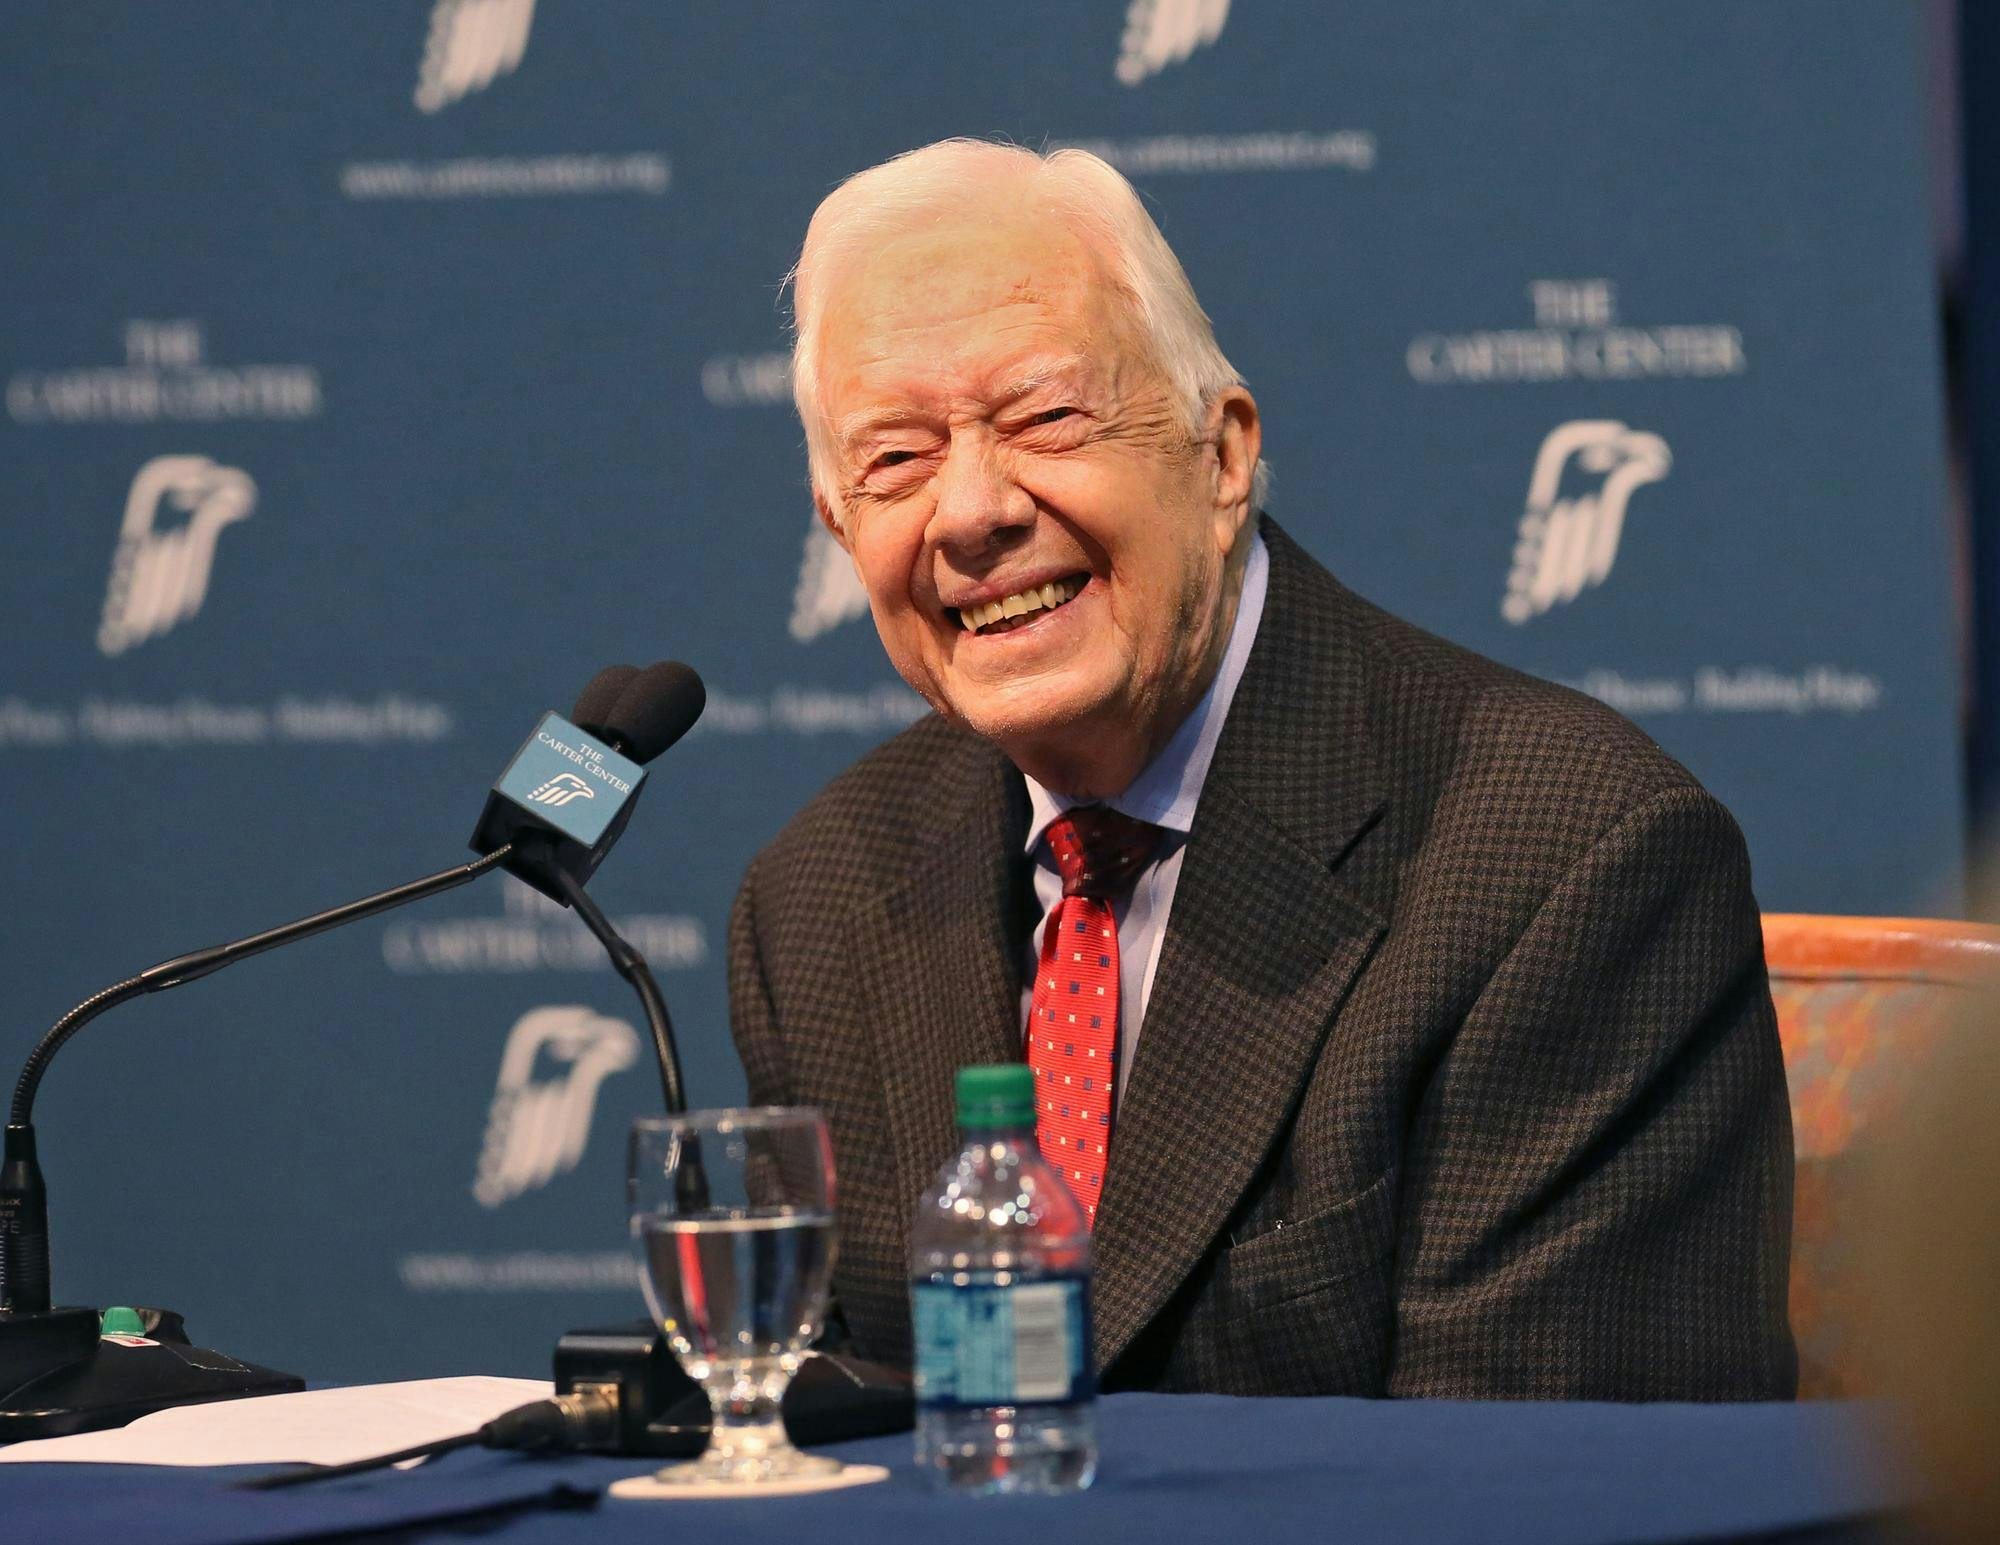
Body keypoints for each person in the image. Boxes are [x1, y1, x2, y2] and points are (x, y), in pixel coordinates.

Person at [729, 138, 1795, 1400]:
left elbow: (1538, 1484)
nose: (969, 513)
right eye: (894, 459)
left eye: (1045, 418)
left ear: (1220, 454)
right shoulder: (816, 900)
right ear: (840, 529)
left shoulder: (1565, 859)